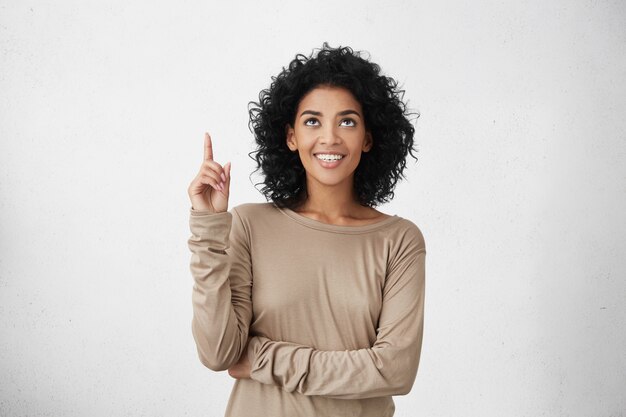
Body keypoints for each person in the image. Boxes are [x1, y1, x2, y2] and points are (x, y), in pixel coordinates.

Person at [187, 43, 426, 417]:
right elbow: (219, 353)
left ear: (368, 137)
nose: (329, 137)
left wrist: (263, 358)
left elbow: (394, 370)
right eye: (312, 121)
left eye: (347, 121)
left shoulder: (398, 240)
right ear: (290, 136)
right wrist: (208, 227)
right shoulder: (249, 225)